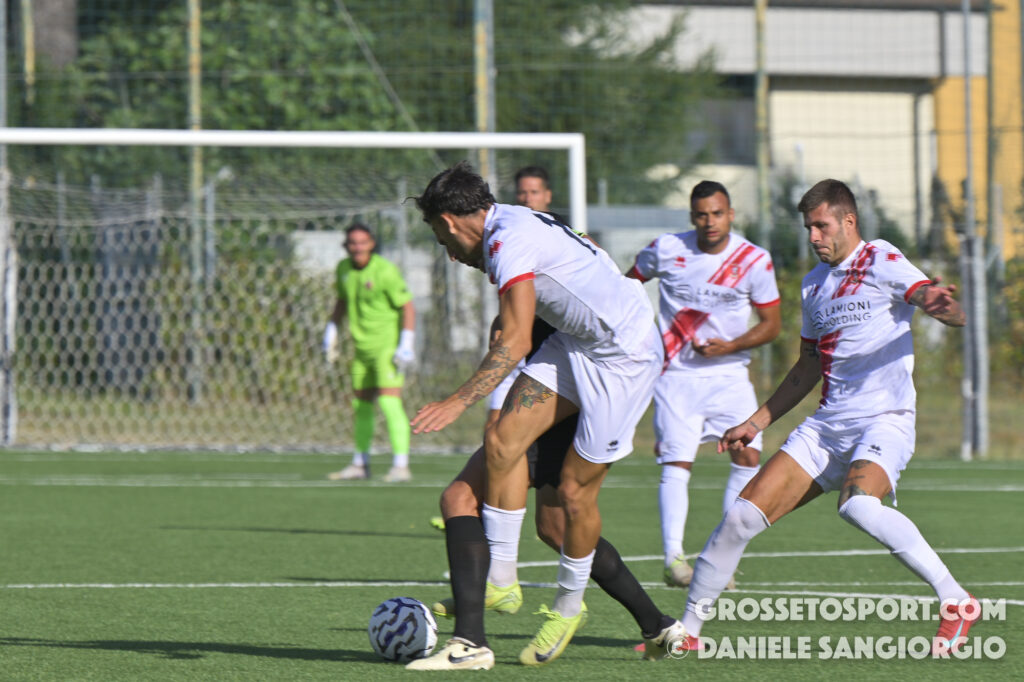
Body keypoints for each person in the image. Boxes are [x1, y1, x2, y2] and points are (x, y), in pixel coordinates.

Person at [677, 179, 976, 655]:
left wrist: (943, 305)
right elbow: (807, 366)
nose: (814, 236)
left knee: (857, 506)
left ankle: (956, 601)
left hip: (883, 420)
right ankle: (687, 634)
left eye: (822, 226)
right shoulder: (814, 284)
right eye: (808, 228)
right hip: (825, 429)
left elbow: (938, 303)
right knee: (739, 519)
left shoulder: (880, 258)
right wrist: (755, 423)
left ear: (848, 221)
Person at [407, 162, 667, 669]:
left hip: (625, 357)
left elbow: (518, 340)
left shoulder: (508, 241)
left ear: (451, 221)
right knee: (502, 440)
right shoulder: (508, 225)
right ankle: (501, 582)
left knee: (573, 494)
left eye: (442, 239)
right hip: (577, 344)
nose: (448, 252)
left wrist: (457, 400)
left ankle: (568, 607)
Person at [627, 180, 781, 589]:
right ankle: (673, 559)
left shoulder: (754, 259)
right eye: (701, 215)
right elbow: (627, 285)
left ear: (730, 215)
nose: (710, 222)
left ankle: (721, 559)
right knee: (677, 463)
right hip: (676, 377)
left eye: (717, 214)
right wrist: (640, 337)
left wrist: (730, 345)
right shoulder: (667, 249)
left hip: (730, 377)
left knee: (748, 457)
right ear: (691, 217)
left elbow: (772, 325)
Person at [322, 223, 416, 483]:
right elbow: (342, 300)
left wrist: (406, 342)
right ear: (346, 246)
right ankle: (360, 463)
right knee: (360, 405)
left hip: (386, 348)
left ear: (372, 244)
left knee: (389, 402)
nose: (358, 247)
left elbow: (407, 306)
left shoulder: (385, 271)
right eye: (353, 243)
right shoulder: (343, 269)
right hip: (360, 349)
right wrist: (331, 330)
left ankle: (401, 466)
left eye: (363, 242)